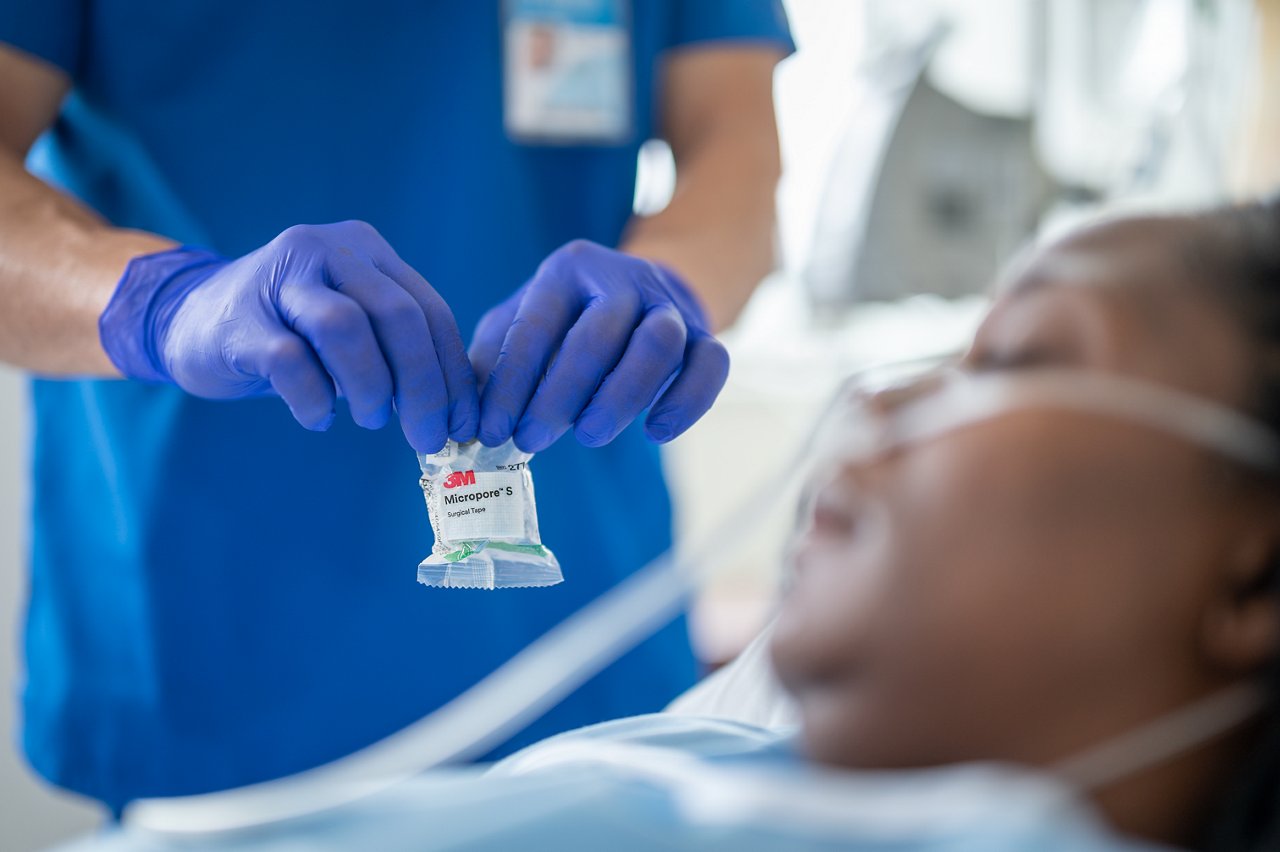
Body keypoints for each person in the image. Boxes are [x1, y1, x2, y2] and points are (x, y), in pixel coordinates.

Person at [66, 198, 1280, 851]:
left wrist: (679, 280)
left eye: (1013, 359)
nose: (876, 395)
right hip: (191, 594)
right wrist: (155, 303)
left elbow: (732, 167)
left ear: (1255, 572)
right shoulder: (698, 770)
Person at [0, 3, 793, 813]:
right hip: (206, 651)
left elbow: (736, 150)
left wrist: (672, 285)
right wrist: (161, 305)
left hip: (588, 654)